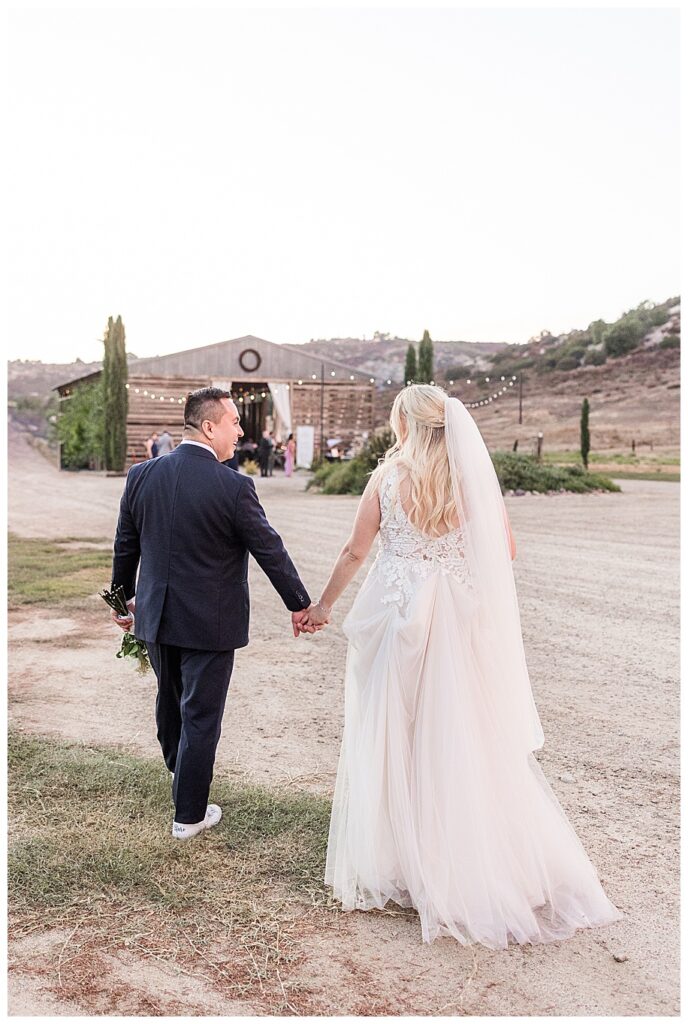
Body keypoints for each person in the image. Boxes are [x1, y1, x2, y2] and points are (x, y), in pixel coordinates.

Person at [303, 384, 622, 949]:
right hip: (458, 623)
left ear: (406, 424)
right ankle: (474, 864)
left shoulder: (386, 479)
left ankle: (398, 860)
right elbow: (507, 552)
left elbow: (355, 551)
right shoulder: (467, 481)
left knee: (394, 736)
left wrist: (323, 606)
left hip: (400, 622)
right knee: (460, 737)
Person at [109, 387, 321, 840]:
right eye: (234, 422)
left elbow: (125, 546)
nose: (240, 431)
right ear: (209, 427)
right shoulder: (234, 486)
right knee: (200, 716)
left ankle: (181, 777)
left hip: (157, 618)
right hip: (210, 621)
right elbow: (270, 550)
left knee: (170, 703)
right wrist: (300, 604)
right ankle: (188, 816)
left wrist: (121, 601)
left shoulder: (141, 476)